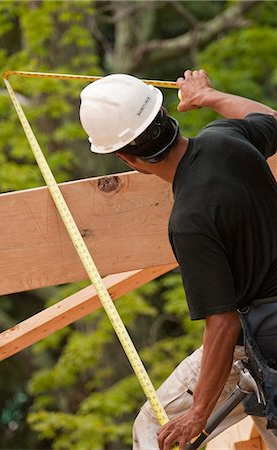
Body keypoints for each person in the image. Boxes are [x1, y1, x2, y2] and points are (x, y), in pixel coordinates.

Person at [79, 70, 277, 450]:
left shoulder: (190, 221)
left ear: (125, 158)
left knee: (155, 430)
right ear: (166, 116)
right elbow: (271, 119)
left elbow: (221, 324)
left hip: (259, 344)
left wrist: (198, 414)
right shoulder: (227, 138)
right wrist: (210, 96)